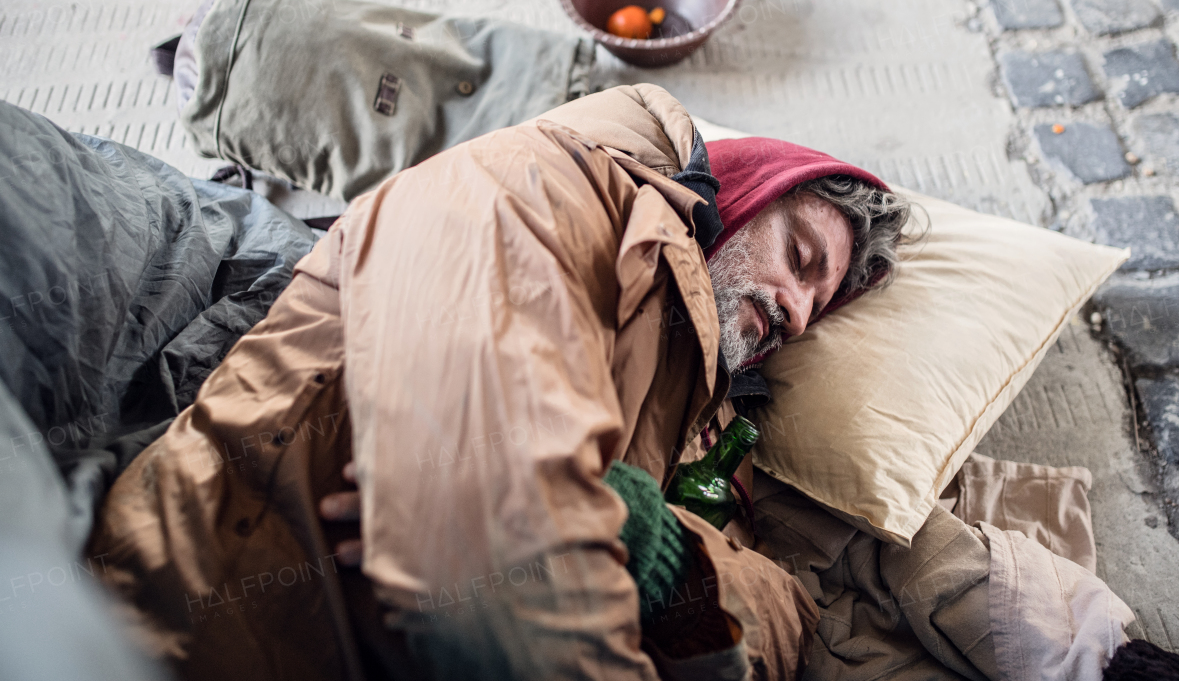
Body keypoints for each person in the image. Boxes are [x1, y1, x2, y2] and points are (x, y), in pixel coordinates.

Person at [90, 83, 911, 681]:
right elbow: (489, 550)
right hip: (187, 632)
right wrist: (574, 513)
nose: (798, 311)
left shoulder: (698, 410)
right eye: (800, 260)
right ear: (738, 198)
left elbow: (782, 618)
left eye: (818, 302)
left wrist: (658, 548)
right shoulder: (547, 187)